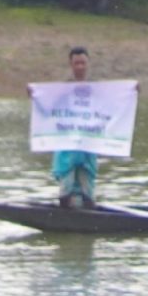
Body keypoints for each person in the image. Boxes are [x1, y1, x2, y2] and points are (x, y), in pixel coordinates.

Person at [50, 46, 100, 208]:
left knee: (87, 187)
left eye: (83, 63)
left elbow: (114, 105)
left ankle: (91, 221)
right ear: (71, 65)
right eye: (76, 63)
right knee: (66, 186)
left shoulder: (97, 89)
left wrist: (132, 91)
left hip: (87, 145)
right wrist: (34, 94)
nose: (80, 67)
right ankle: (64, 219)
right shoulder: (62, 90)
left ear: (88, 64)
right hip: (67, 146)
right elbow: (47, 107)